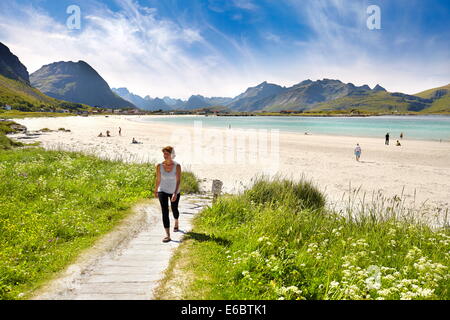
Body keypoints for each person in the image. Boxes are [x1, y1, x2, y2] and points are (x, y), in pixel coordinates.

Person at [154, 146, 181, 243]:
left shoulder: (177, 166)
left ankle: (176, 221)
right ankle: (168, 235)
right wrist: (156, 190)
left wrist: (175, 193)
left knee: (174, 209)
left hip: (174, 190)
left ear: (171, 155)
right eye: (164, 154)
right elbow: (158, 179)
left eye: (167, 154)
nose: (165, 156)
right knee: (164, 211)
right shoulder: (159, 166)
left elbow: (178, 180)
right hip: (163, 190)